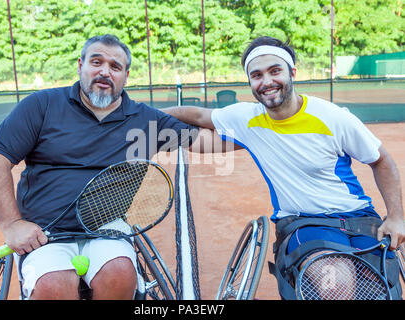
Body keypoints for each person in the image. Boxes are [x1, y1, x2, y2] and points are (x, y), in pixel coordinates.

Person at [163, 36, 404, 299]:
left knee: (379, 287)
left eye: (274, 71)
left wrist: (395, 217)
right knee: (337, 286)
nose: (266, 82)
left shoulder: (333, 117)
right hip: (304, 222)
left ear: (292, 73)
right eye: (256, 75)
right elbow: (198, 117)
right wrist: (144, 116)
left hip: (359, 217)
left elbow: (381, 161)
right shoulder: (246, 118)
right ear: (250, 83)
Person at [0, 34, 198, 300]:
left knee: (120, 274)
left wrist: (256, 127)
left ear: (125, 76)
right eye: (97, 62)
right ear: (80, 65)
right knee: (53, 285)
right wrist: (12, 224)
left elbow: (207, 139)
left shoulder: (146, 119)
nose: (105, 71)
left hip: (107, 229)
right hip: (46, 232)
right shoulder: (41, 105)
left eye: (115, 66)